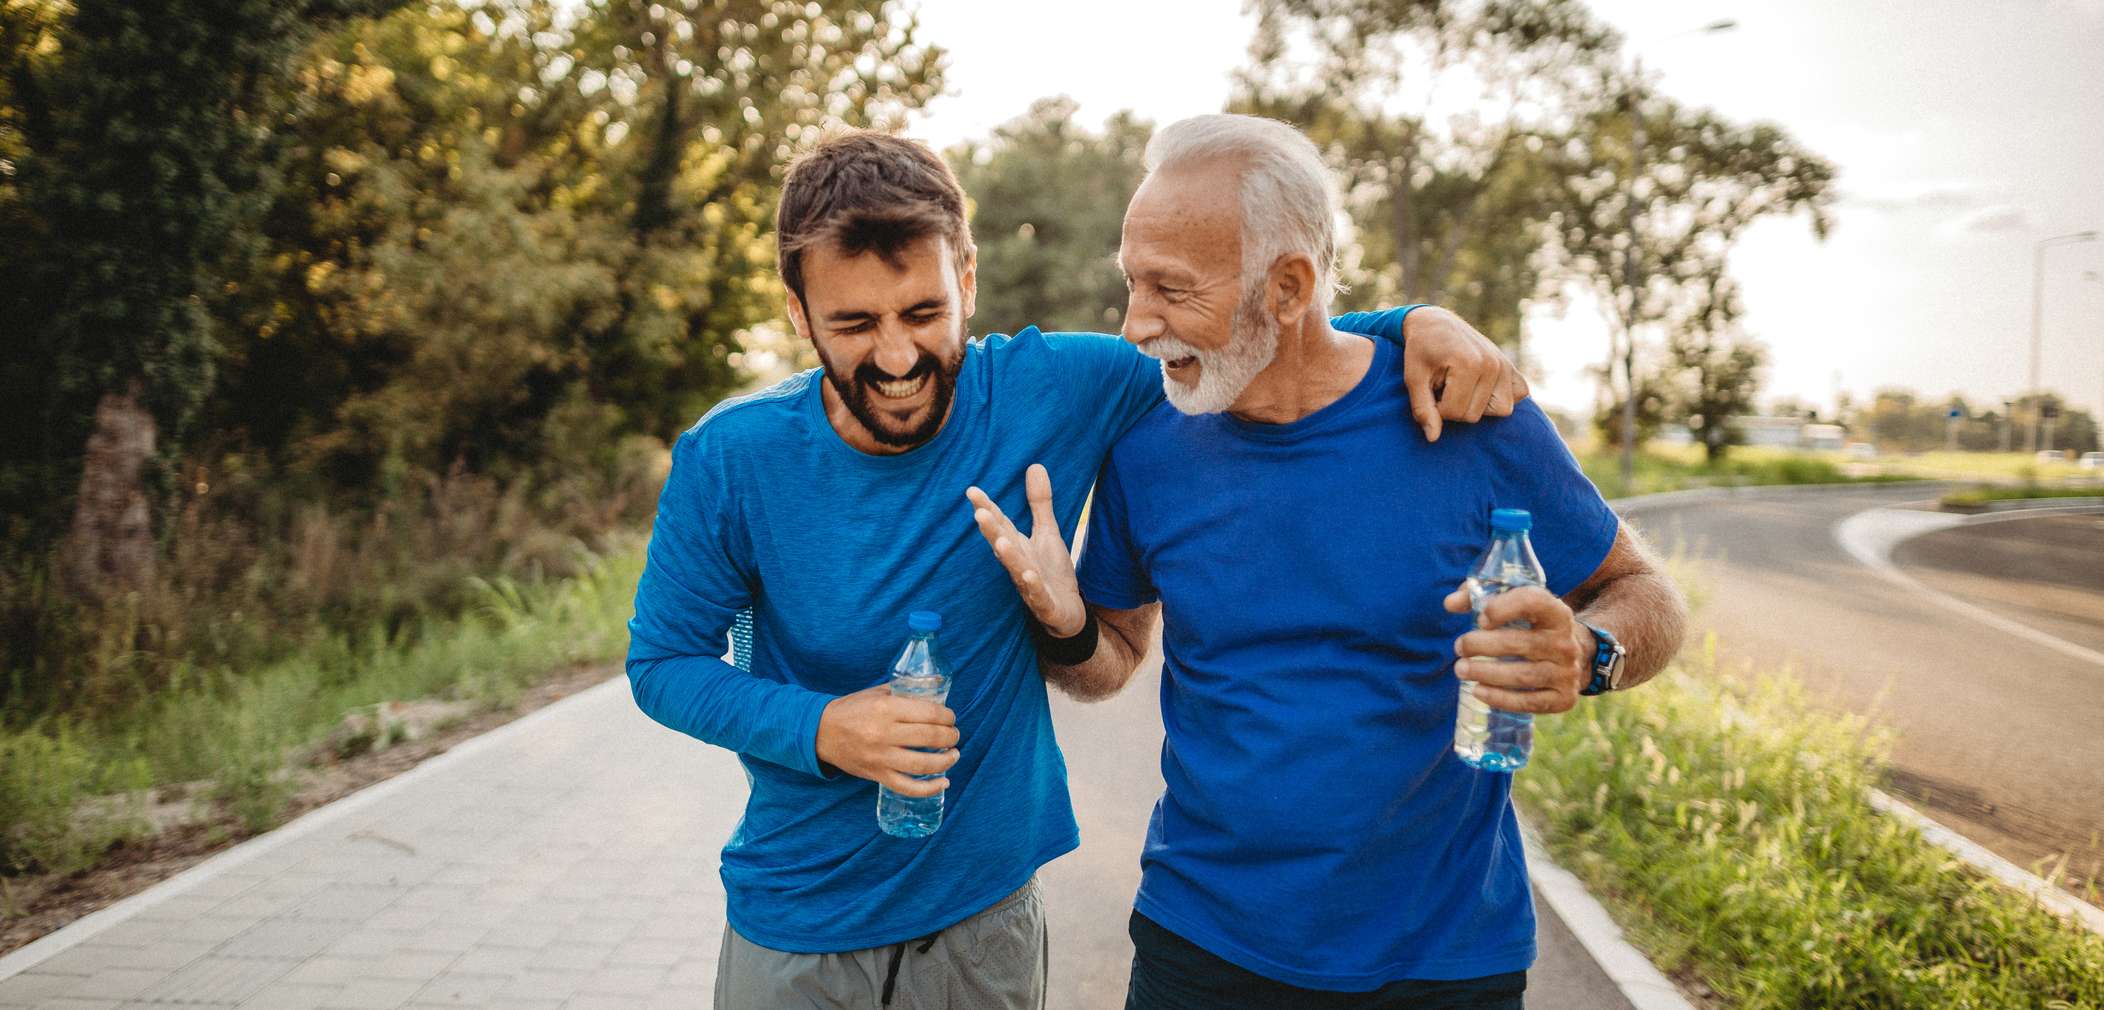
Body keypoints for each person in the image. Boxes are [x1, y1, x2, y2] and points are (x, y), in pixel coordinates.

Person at [622, 128, 1529, 1009]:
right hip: (798, 926)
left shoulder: (1059, 386)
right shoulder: (731, 459)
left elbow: (1252, 332)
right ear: (797, 312)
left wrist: (1411, 323)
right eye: (854, 324)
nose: (896, 357)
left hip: (984, 926)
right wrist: (823, 727)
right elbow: (662, 666)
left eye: (924, 314)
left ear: (967, 281)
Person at [968, 114, 1689, 1010]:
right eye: (1131, 284)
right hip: (1201, 946)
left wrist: (1591, 652)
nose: (1136, 325)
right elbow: (1113, 658)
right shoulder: (1151, 440)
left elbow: (1642, 592)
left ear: (1288, 287)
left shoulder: (1468, 414)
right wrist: (1068, 628)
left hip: (1444, 961)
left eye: (1170, 289)